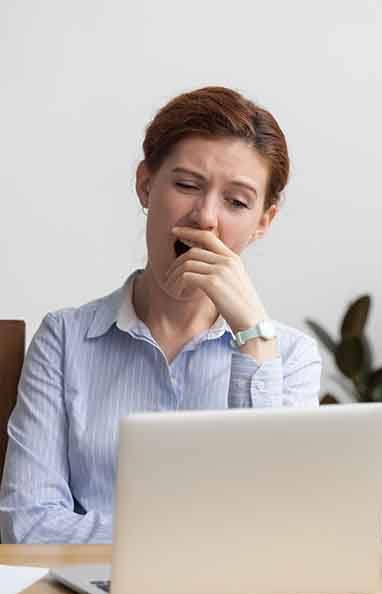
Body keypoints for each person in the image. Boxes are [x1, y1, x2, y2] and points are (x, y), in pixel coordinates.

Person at [0, 86, 322, 543]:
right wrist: (195, 540)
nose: (206, 217)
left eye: (236, 202)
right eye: (187, 185)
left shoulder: (289, 357)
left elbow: (278, 531)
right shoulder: (65, 339)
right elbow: (28, 526)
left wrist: (254, 339)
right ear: (145, 185)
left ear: (263, 222)